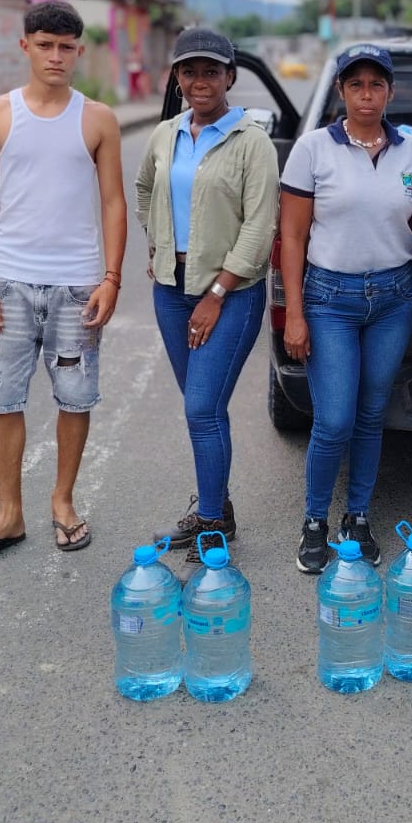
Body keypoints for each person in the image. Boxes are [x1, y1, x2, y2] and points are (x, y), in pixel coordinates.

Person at [0, 0, 127, 568]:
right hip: (9, 284)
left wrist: (111, 278)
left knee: (75, 397)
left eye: (66, 47)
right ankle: (9, 513)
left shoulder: (97, 119)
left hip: (77, 286)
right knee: (2, 398)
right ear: (25, 46)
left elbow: (112, 201)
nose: (56, 56)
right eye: (45, 45)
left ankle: (62, 501)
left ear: (79, 51)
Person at [278, 44, 412, 574]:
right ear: (341, 91)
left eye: (376, 85)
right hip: (330, 300)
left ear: (390, 92)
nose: (366, 95)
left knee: (371, 415)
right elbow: (293, 236)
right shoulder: (313, 149)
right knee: (334, 419)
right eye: (355, 85)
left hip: (395, 298)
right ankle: (314, 521)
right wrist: (295, 313)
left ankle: (358, 516)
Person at [135, 28, 279, 565]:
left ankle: (213, 523)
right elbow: (145, 188)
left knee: (201, 408)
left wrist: (217, 292)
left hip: (231, 293)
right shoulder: (165, 134)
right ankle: (218, 507)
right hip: (171, 290)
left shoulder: (251, 142)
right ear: (177, 77)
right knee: (205, 409)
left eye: (211, 71)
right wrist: (157, 241)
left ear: (230, 77)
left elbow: (260, 225)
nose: (200, 81)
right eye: (190, 71)